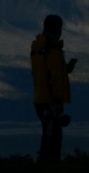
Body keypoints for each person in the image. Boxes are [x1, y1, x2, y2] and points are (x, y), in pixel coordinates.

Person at [31, 13, 77, 162]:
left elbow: (45, 72)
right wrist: (56, 102)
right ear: (57, 29)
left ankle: (45, 165)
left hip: (40, 98)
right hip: (51, 101)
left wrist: (66, 69)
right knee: (53, 138)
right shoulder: (53, 50)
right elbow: (55, 76)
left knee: (47, 135)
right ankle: (50, 171)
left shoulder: (38, 48)